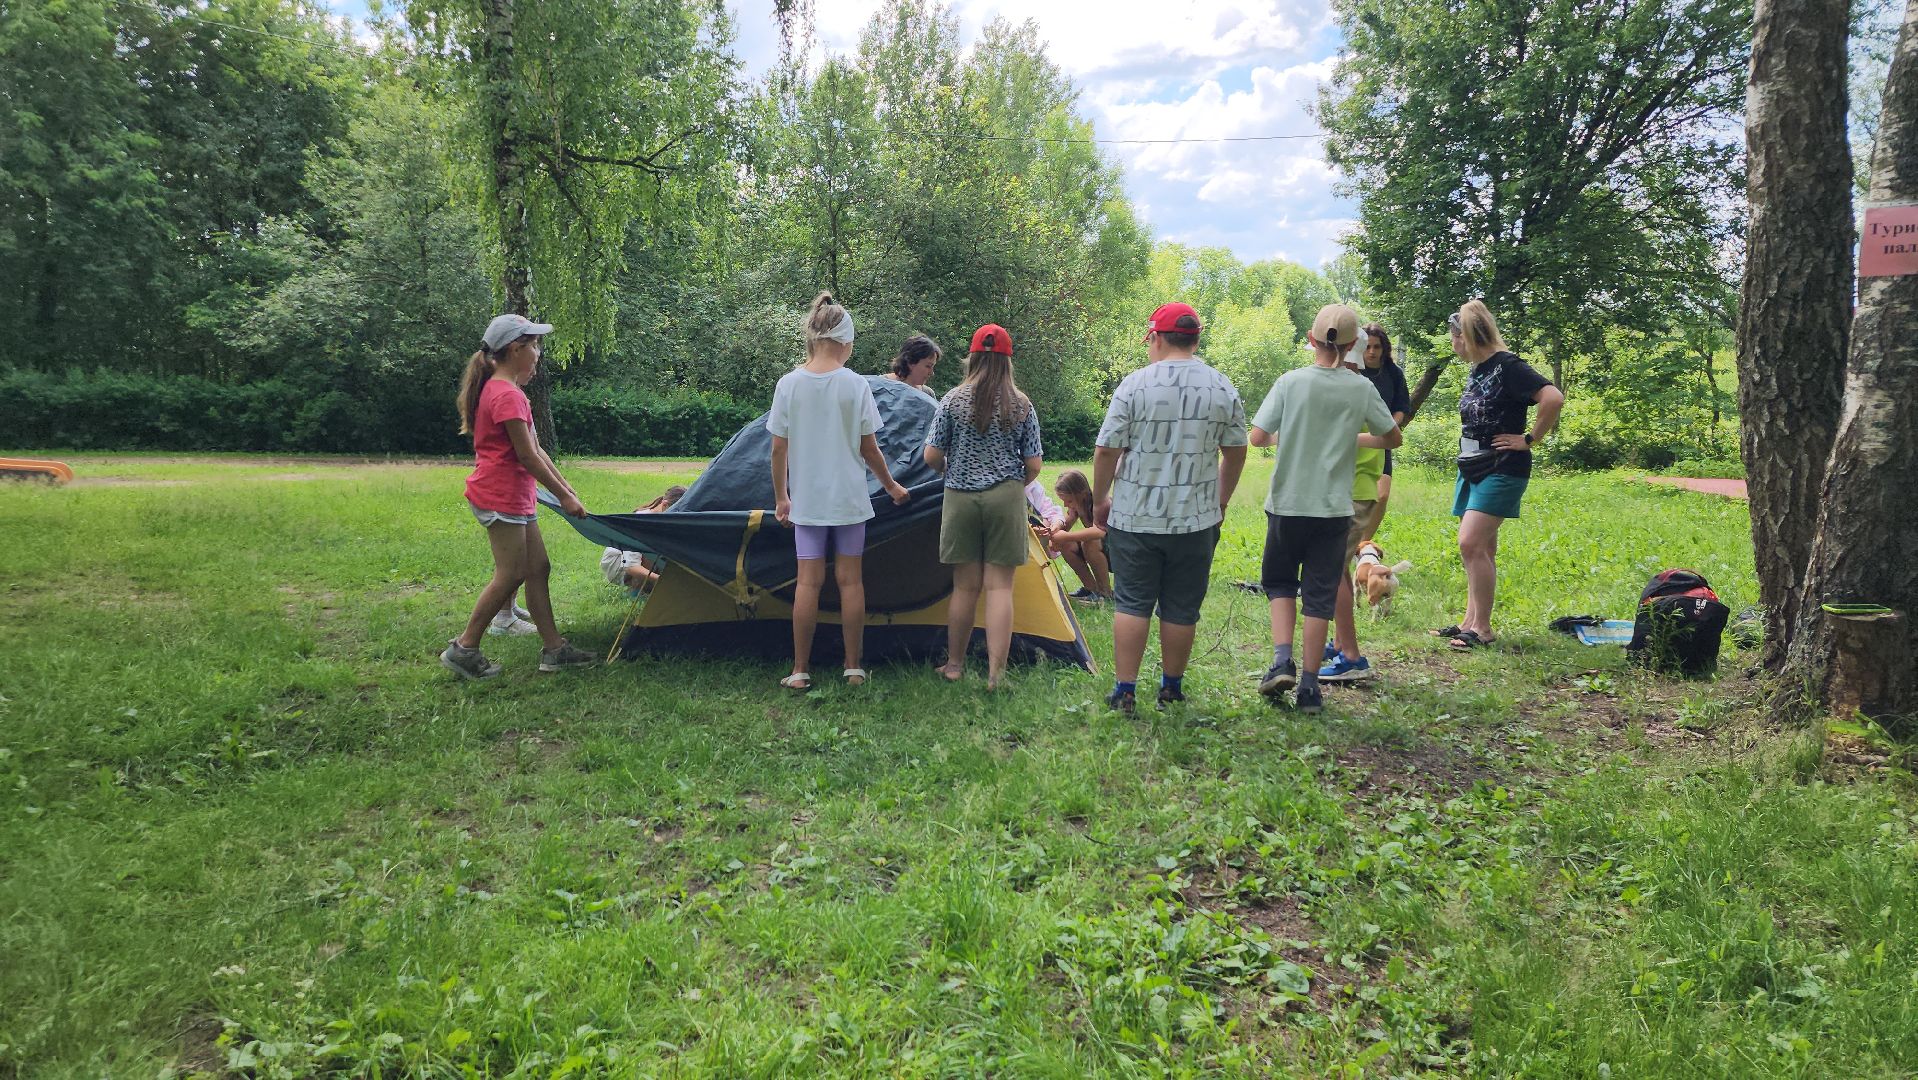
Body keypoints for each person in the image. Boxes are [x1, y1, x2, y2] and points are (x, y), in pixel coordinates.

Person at [1092, 302, 1248, 713]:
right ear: (1195, 339)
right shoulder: (1221, 386)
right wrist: (1222, 500)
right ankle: (1171, 689)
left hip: (1134, 516)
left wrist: (1099, 501)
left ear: (1157, 339)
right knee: (1181, 607)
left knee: (1132, 602)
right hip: (1196, 519)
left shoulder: (1134, 386)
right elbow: (1236, 452)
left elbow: (1107, 450)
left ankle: (1125, 690)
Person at [1249, 305, 1401, 713]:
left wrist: (1293, 434)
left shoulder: (1289, 382)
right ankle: (1311, 687)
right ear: (1354, 345)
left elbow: (1258, 437)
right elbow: (1393, 438)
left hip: (1287, 504)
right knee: (1318, 592)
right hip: (1334, 509)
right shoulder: (1361, 389)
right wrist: (1352, 438)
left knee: (1281, 583)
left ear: (1311, 340)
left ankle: (1282, 660)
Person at [440, 314, 598, 680]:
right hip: (501, 497)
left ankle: (554, 649)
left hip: (516, 496)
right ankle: (464, 648)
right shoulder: (506, 395)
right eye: (535, 345)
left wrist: (566, 491)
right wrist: (564, 496)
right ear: (516, 350)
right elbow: (526, 457)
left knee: (537, 568)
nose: (539, 353)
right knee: (511, 574)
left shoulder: (508, 392)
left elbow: (538, 450)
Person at [768, 293, 911, 690]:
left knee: (807, 583)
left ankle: (799, 670)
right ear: (846, 343)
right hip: (849, 502)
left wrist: (782, 498)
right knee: (851, 582)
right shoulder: (855, 385)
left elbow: (778, 449)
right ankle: (853, 667)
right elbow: (870, 449)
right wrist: (893, 486)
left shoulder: (789, 384)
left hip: (808, 504)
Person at [1431, 300, 1563, 650]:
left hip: (1502, 467)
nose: (1452, 345)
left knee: (1470, 542)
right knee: (1482, 547)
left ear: (1466, 336)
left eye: (1454, 338)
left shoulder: (1509, 366)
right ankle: (1469, 623)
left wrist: (1529, 439)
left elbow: (1553, 397)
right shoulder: (1479, 367)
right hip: (1473, 465)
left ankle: (1483, 630)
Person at [925, 324, 1042, 690]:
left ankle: (955, 665)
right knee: (999, 589)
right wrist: (1010, 486)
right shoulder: (1021, 404)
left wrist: (951, 469)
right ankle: (995, 673)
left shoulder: (952, 399)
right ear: (1008, 361)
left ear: (972, 357)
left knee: (964, 588)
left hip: (960, 496)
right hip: (1005, 496)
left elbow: (931, 454)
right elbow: (1035, 463)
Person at [1318, 330, 1390, 684]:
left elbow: (1391, 435)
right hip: (1352, 491)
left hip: (1351, 493)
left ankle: (1352, 657)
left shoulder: (1350, 390)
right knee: (1339, 570)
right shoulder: (1361, 389)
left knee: (1331, 572)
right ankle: (1341, 642)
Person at [1356, 324, 1411, 542]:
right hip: (1354, 439)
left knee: (1382, 495)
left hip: (1382, 439)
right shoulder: (1353, 369)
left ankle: (1364, 543)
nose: (1371, 351)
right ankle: (1346, 541)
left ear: (1384, 348)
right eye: (1367, 346)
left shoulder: (1393, 373)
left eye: (1376, 347)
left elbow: (1402, 408)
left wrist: (1389, 426)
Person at [1040, 469, 1111, 603]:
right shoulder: (1077, 506)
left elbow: (1099, 532)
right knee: (1066, 545)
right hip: (1102, 549)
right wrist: (1055, 531)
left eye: (1069, 501)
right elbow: (1066, 523)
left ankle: (1105, 592)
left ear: (1081, 494)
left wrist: (1066, 536)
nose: (1066, 505)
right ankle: (1091, 589)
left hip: (1117, 553)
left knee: (1089, 542)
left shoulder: (1098, 503)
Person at [599, 485, 687, 591]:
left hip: (638, 563)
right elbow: (631, 567)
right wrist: (663, 581)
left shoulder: (663, 521)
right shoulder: (641, 521)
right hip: (618, 566)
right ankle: (637, 589)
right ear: (664, 505)